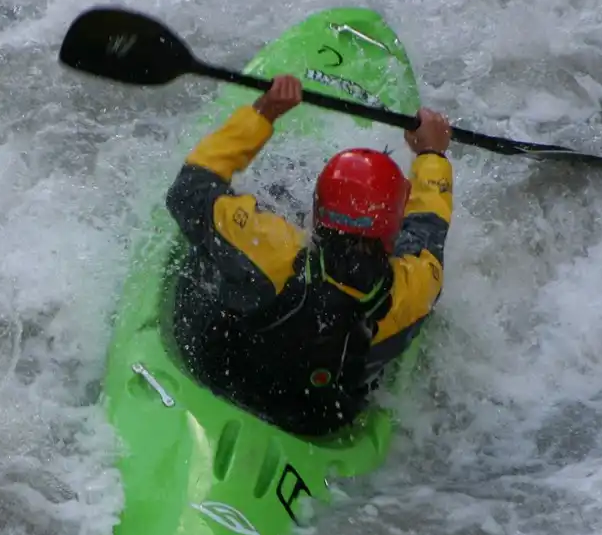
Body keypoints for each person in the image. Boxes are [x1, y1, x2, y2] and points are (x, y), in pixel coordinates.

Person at [165, 74, 454, 437]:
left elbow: (188, 192)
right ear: (392, 223)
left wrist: (263, 113)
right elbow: (429, 227)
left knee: (204, 250)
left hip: (225, 377)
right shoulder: (413, 287)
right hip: (315, 420)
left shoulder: (271, 248)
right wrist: (432, 157)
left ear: (319, 211)